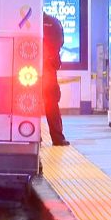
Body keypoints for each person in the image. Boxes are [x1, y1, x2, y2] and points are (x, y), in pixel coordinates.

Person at [43, 12, 69, 146]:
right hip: (48, 69)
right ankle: (58, 138)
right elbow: (61, 41)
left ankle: (31, 135)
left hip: (26, 69)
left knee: (28, 103)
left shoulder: (24, 21)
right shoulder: (54, 22)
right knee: (52, 103)